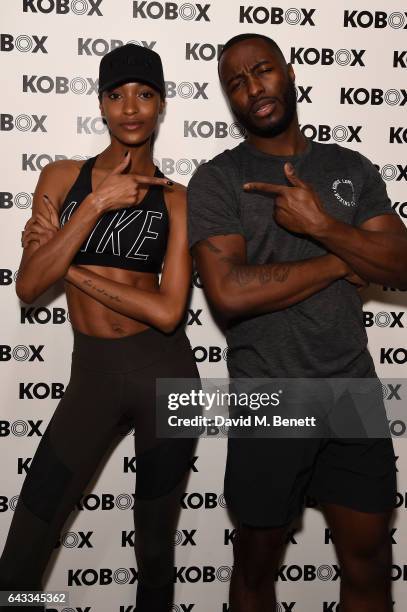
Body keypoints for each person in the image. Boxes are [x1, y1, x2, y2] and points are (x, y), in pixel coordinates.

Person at [187, 33, 407, 612]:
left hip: (351, 390)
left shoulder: (348, 167)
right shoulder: (216, 180)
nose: (252, 87)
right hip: (269, 395)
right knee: (256, 569)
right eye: (235, 82)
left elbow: (401, 264)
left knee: (369, 566)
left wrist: (324, 225)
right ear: (228, 99)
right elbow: (229, 292)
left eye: (261, 70)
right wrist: (343, 258)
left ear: (289, 73)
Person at [0, 43, 200, 612]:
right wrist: (95, 205)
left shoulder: (179, 200)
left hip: (169, 379)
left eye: (144, 94)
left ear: (161, 105)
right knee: (21, 555)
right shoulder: (62, 179)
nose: (130, 108)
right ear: (101, 104)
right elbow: (29, 284)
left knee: (156, 552)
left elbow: (166, 311)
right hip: (92, 378)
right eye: (117, 95)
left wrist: (74, 268)